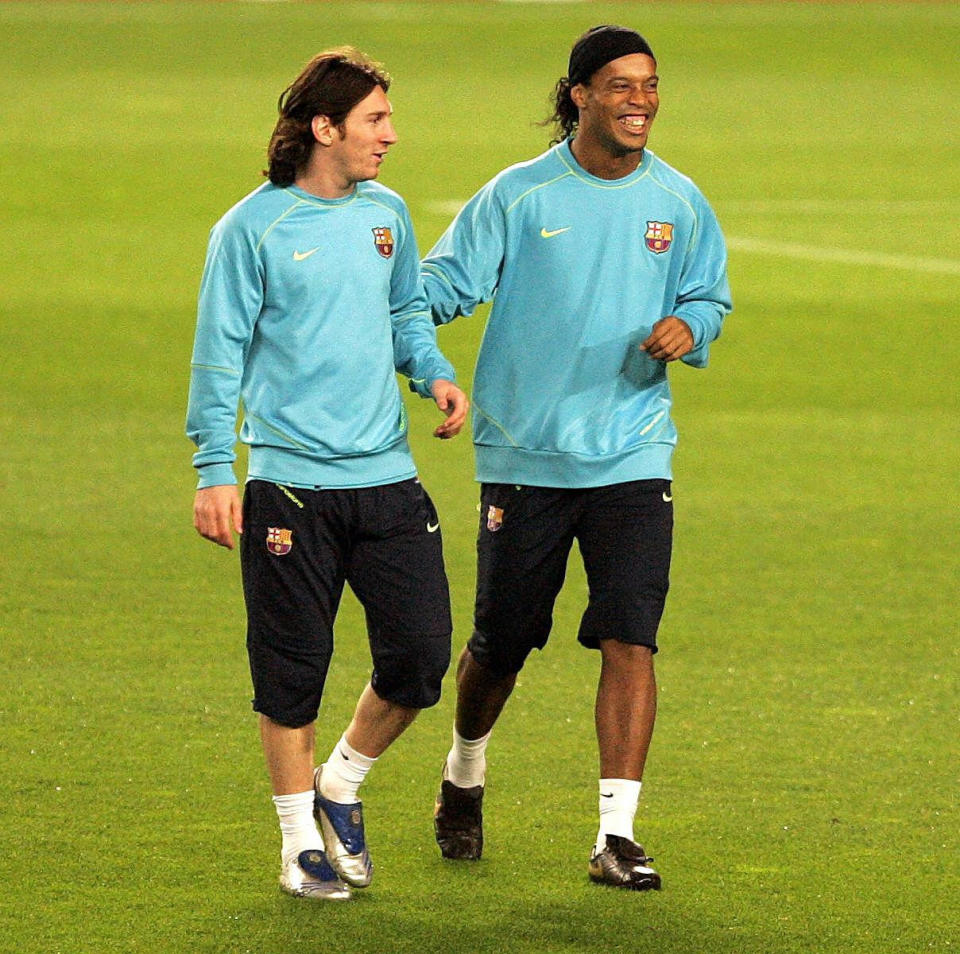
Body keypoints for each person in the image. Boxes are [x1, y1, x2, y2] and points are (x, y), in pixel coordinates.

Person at [421, 25, 731, 890]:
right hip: (527, 455)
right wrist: (389, 312)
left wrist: (691, 325)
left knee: (632, 634)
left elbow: (709, 293)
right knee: (505, 639)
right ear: (578, 96)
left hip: (634, 451)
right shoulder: (519, 196)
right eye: (621, 85)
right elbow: (447, 284)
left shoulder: (679, 200)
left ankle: (618, 834)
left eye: (652, 84)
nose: (641, 101)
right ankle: (464, 773)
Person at [186, 48, 468, 901]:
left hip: (386, 477)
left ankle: (339, 787)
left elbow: (404, 309)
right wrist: (213, 469)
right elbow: (218, 356)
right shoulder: (250, 229)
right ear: (325, 128)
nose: (391, 135)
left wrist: (433, 370)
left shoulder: (387, 212)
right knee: (291, 668)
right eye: (376, 119)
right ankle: (295, 843)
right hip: (290, 486)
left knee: (421, 656)